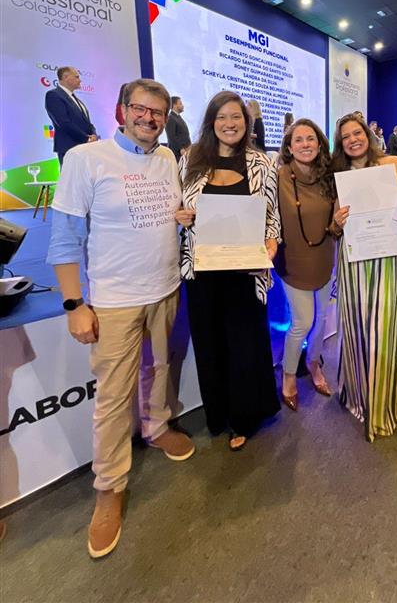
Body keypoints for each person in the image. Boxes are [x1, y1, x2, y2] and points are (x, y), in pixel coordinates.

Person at [47, 78, 194, 559]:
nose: (149, 118)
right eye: (140, 109)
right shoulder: (85, 160)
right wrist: (75, 304)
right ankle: (109, 487)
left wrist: (183, 217)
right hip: (113, 299)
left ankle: (156, 426)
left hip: (166, 287)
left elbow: (166, 213)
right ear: (120, 111)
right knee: (112, 397)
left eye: (157, 111)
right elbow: (65, 238)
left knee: (161, 369)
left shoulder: (168, 158)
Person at [176, 91, 280, 451]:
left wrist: (272, 241)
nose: (229, 124)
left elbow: (272, 217)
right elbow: (179, 207)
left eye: (236, 117)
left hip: (244, 272)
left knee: (244, 345)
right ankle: (217, 414)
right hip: (202, 273)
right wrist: (181, 217)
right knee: (209, 344)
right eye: (221, 117)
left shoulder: (261, 163)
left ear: (246, 123)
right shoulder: (190, 158)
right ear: (211, 122)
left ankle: (244, 417)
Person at [330, 113, 397, 442]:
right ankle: (359, 394)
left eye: (357, 132)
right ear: (341, 143)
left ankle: (385, 404)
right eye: (346, 135)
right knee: (356, 328)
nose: (353, 139)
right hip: (354, 261)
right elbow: (334, 231)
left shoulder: (393, 164)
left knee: (386, 330)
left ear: (367, 134)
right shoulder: (338, 175)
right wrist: (336, 221)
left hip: (390, 259)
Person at [276, 118, 336, 410]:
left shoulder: (329, 177)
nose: (305, 145)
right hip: (293, 261)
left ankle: (313, 364)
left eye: (310, 139)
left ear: (319, 144)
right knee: (301, 322)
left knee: (322, 319)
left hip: (325, 258)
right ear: (289, 147)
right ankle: (288, 376)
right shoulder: (277, 178)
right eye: (298, 140)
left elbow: (337, 222)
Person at [44, 66, 97, 165]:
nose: (80, 81)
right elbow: (63, 123)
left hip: (85, 147)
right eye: (77, 77)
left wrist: (94, 135)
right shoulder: (53, 95)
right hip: (69, 148)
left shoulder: (75, 99)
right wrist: (86, 138)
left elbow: (86, 122)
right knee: (72, 179)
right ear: (66, 77)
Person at [165, 96, 191, 161]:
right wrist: (181, 148)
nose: (183, 106)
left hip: (185, 151)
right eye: (180, 104)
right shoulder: (171, 118)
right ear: (174, 105)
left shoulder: (178, 117)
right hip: (177, 154)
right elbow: (172, 136)